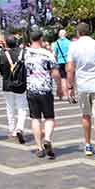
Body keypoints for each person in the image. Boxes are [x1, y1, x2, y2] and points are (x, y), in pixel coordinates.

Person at [65, 22, 95, 161]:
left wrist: (70, 86)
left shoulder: (73, 46)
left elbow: (70, 68)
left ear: (77, 33)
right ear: (90, 32)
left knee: (85, 115)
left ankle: (87, 145)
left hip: (82, 86)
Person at [23, 29, 59, 158]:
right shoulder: (47, 54)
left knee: (35, 118)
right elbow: (55, 72)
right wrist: (60, 86)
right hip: (46, 89)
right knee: (49, 117)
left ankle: (39, 147)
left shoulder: (25, 54)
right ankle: (48, 139)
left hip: (31, 89)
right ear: (41, 39)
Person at [0, 35, 28, 144]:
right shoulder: (22, 53)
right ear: (16, 42)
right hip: (20, 84)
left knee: (9, 107)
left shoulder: (2, 55)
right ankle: (20, 128)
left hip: (7, 84)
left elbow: (0, 70)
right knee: (22, 107)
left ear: (6, 44)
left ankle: (12, 129)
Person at [52, 29, 72, 101]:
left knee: (63, 79)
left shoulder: (56, 43)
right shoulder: (69, 42)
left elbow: (54, 54)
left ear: (59, 35)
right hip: (69, 62)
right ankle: (70, 94)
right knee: (70, 78)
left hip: (60, 62)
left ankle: (65, 95)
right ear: (66, 35)